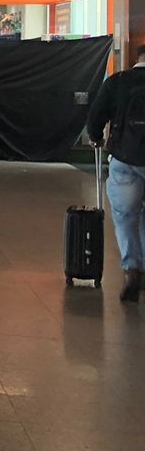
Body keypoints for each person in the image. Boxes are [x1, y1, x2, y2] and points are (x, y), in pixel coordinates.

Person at [86, 47, 145, 301]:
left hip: (125, 157)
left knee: (125, 216)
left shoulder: (118, 82)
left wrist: (96, 137)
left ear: (137, 60)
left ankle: (132, 269)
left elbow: (96, 117)